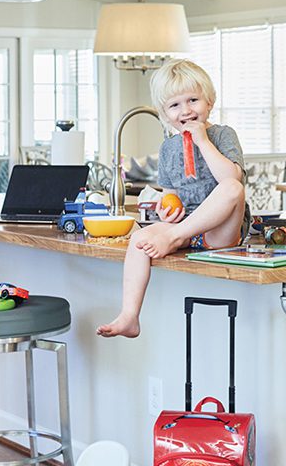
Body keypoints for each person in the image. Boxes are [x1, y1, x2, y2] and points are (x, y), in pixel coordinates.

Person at [97, 59, 249, 338]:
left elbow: (232, 177)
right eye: (175, 105)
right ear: (165, 114)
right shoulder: (168, 148)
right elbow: (170, 194)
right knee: (139, 240)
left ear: (210, 101)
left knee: (232, 188)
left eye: (193, 100)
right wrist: (167, 210)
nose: (186, 110)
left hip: (220, 232)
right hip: (185, 226)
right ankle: (130, 315)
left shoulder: (222, 134)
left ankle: (174, 237)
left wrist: (202, 141)